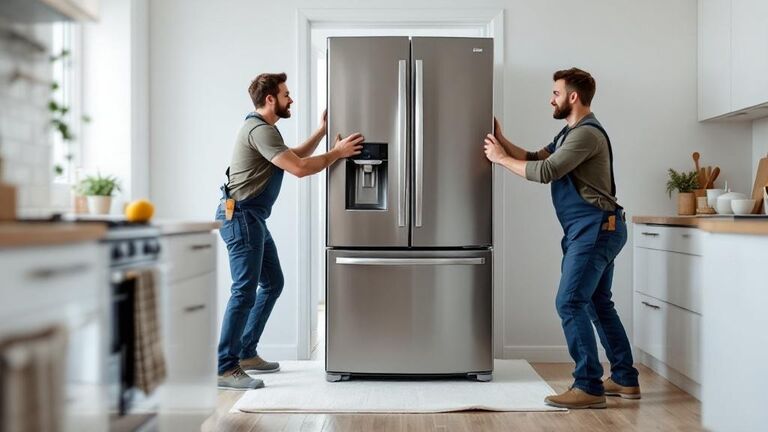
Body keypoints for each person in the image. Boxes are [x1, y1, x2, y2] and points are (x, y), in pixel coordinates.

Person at [484, 68, 640, 409]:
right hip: (596, 228)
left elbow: (545, 172)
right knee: (598, 303)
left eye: (555, 93)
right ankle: (625, 378)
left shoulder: (586, 135)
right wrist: (503, 140)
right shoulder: (570, 132)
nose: (550, 98)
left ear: (573, 96)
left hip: (597, 229)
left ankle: (588, 386)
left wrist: (499, 159)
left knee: (569, 303)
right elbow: (538, 157)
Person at [215, 72, 364, 390]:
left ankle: (245, 352)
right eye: (286, 94)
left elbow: (293, 156)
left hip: (250, 217)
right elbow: (299, 169)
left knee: (272, 283)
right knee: (244, 290)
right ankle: (225, 367)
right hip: (241, 216)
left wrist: (322, 133)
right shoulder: (259, 129)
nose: (290, 98)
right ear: (270, 99)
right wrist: (337, 152)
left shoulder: (264, 130)